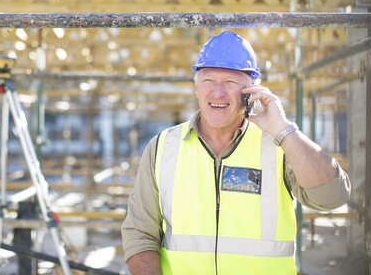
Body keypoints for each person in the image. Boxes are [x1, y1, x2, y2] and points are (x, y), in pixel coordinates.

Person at [121, 31, 351, 275]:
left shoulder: (279, 146)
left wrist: (283, 129)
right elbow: (139, 234)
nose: (217, 93)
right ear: (196, 87)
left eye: (230, 82)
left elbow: (332, 197)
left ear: (251, 91)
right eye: (208, 80)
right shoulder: (161, 148)